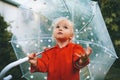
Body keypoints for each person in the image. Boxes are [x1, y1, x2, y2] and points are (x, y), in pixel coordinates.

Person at [28, 17, 92, 80]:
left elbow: (77, 64)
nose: (60, 29)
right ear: (53, 34)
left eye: (65, 27)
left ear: (71, 36)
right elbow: (44, 66)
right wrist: (35, 62)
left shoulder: (75, 48)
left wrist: (82, 60)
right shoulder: (48, 52)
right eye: (57, 27)